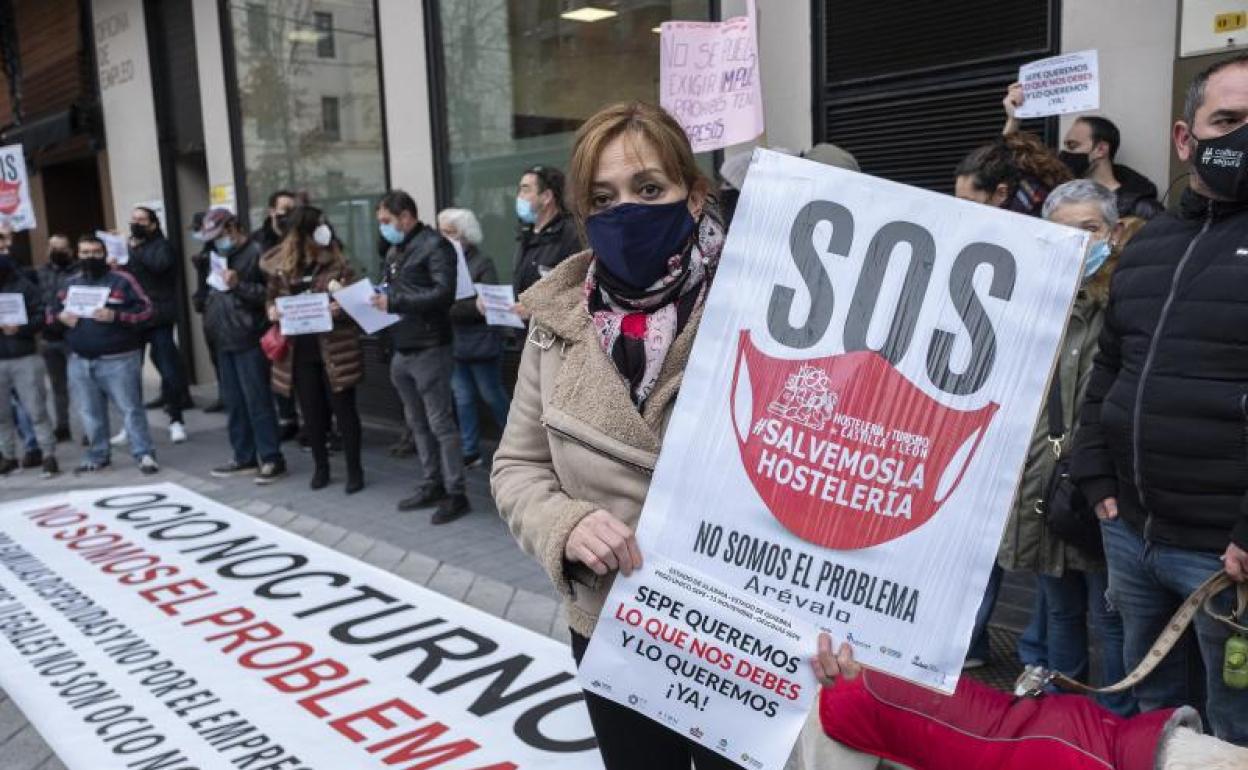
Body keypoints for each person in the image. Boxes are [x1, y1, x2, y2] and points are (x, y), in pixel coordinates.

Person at [491, 101, 737, 769]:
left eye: (649, 189)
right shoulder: (556, 322)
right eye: (604, 198)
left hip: (743, 639)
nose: (626, 210)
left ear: (694, 195)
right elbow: (517, 465)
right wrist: (562, 525)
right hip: (615, 624)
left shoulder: (764, 307)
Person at [1070, 54, 1248, 746]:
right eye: (1227, 121)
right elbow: (1108, 367)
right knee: (1155, 715)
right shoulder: (1144, 250)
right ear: (1185, 138)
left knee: (1233, 731)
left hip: (1225, 557)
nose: (1241, 137)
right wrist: (1093, 469)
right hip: (1133, 534)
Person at [996, 179, 1133, 715]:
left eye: (1090, 230)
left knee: (1110, 614)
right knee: (1057, 607)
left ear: (1114, 232)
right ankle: (1061, 717)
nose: (1079, 245)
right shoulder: (1028, 302)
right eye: (1062, 235)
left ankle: (1112, 719)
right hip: (1043, 485)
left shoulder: (1130, 302)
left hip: (1103, 488)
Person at [953, 133, 1073, 669]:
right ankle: (979, 645)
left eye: (969, 202)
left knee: (1031, 542)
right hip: (991, 402)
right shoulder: (1003, 234)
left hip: (1033, 414)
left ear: (1000, 194)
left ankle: (1023, 656)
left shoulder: (1043, 247)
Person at [372, 191, 469, 522]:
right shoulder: (397, 249)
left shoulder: (435, 245)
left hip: (430, 346)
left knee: (440, 422)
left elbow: (443, 294)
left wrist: (394, 302)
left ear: (405, 216)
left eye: (386, 221)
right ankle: (432, 482)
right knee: (416, 422)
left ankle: (456, 492)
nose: (382, 228)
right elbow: (394, 289)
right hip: (403, 344)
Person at [264, 206, 364, 493]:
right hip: (300, 352)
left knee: (344, 412)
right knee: (312, 413)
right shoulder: (283, 267)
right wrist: (272, 310)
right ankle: (321, 467)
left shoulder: (338, 261)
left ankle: (354, 470)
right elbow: (271, 298)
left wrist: (340, 308)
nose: (324, 228)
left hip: (335, 349)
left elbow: (357, 300)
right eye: (318, 224)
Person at [52, 234, 159, 475]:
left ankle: (144, 454)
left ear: (104, 255)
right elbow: (51, 313)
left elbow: (147, 310)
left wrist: (117, 316)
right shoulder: (70, 284)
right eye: (85, 253)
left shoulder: (122, 281)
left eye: (95, 253)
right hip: (80, 360)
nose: (90, 257)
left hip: (118, 359)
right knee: (89, 412)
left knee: (130, 409)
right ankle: (98, 455)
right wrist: (60, 318)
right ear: (77, 256)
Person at [197, 208, 287, 485]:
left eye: (219, 235)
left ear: (233, 227)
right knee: (235, 402)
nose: (216, 241)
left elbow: (271, 295)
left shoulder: (258, 253)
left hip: (249, 336)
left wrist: (239, 285)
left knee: (257, 400)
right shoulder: (218, 255)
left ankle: (271, 457)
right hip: (224, 337)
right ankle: (244, 455)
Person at [1003, 86, 1164, 220]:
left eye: (1073, 146)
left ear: (1100, 149)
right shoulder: (1056, 196)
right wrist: (1013, 120)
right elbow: (998, 169)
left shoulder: (1140, 208)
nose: (1065, 153)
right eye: (1065, 146)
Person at [440, 207, 509, 468]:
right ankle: (469, 449)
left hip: (481, 342)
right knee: (463, 397)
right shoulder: (443, 263)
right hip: (456, 341)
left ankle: (516, 443)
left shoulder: (482, 262)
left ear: (464, 235)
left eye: (449, 233)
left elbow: (487, 304)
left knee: (492, 395)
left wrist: (452, 307)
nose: (443, 238)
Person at [125, 205, 190, 443]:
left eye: (141, 220)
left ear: (153, 224)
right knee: (131, 371)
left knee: (168, 368)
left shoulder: (161, 246)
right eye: (133, 219)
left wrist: (137, 251)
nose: (136, 223)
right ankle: (130, 423)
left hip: (159, 316)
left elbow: (159, 266)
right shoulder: (130, 247)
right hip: (135, 317)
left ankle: (176, 419)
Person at [0, 229, 58, 477]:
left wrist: (21, 328)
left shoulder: (23, 285)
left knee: (36, 409)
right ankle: (8, 456)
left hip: (24, 356)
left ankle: (48, 454)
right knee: (2, 415)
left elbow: (41, 316)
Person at [254, 191, 300, 442]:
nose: (288, 216)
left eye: (293, 210)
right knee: (280, 369)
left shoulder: (302, 236)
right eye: (284, 210)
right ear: (272, 211)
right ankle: (287, 417)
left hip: (302, 314)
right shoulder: (261, 241)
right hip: (275, 316)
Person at [511, 164, 582, 317]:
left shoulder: (571, 234)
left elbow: (580, 289)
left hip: (554, 334)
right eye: (520, 190)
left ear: (547, 197)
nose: (519, 197)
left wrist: (538, 310)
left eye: (525, 189)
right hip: (524, 334)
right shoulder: (525, 235)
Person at [36, 234, 77, 440]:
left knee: (80, 385)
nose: (58, 252)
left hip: (73, 337)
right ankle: (63, 426)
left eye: (62, 248)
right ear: (47, 250)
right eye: (54, 248)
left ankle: (89, 429)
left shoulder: (79, 272)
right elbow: (35, 302)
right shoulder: (39, 273)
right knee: (57, 386)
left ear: (70, 250)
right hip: (49, 338)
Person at [188, 212, 224, 413]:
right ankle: (224, 394)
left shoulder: (219, 247)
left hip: (219, 308)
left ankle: (228, 395)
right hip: (208, 305)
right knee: (216, 356)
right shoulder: (206, 249)